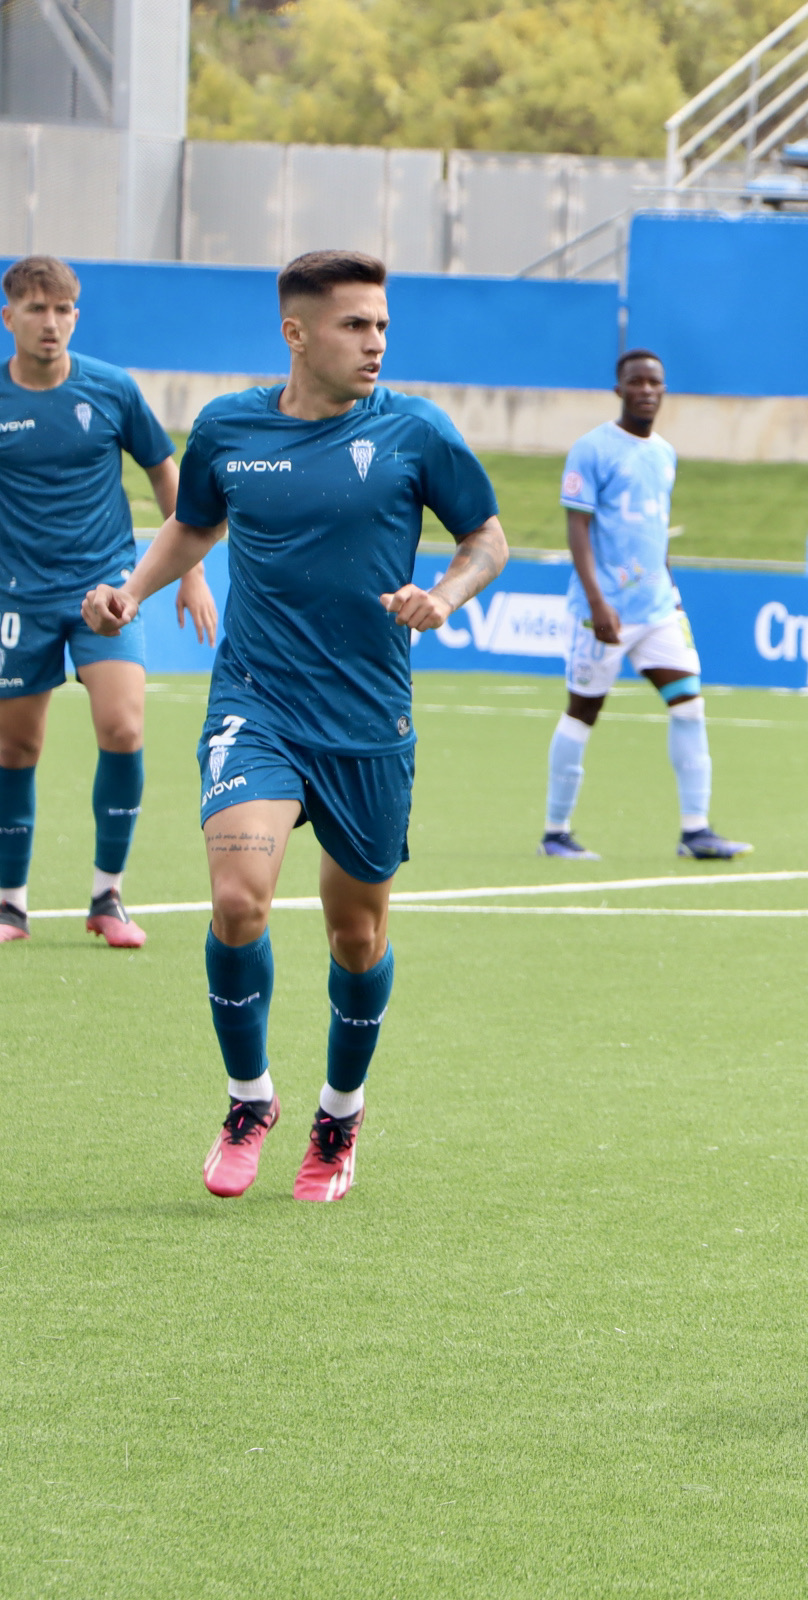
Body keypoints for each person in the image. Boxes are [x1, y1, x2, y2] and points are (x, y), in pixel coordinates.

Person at [82, 249, 511, 1204]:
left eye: (383, 325)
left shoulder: (415, 430)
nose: (376, 343)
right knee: (238, 898)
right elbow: (194, 524)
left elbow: (487, 536)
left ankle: (339, 1116)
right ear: (297, 333)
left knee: (356, 935)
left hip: (367, 721)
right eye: (356, 325)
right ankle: (248, 1099)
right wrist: (131, 591)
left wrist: (446, 593)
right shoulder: (228, 426)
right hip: (257, 704)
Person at [0, 253, 216, 947]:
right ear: (9, 318)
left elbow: (165, 471)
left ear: (77, 316)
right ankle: (10, 903)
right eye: (36, 309)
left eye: (63, 310)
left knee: (123, 728)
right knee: (16, 747)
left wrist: (191, 571)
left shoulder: (112, 389)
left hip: (106, 588)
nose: (51, 323)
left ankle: (108, 896)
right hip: (15, 596)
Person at [541, 350, 747, 861]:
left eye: (655, 382)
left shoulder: (665, 454)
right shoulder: (592, 450)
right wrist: (597, 601)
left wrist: (673, 597)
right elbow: (578, 529)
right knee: (582, 712)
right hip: (603, 611)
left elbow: (654, 534)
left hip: (657, 610)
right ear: (619, 389)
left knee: (689, 707)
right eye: (636, 382)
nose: (646, 390)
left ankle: (696, 831)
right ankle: (555, 832)